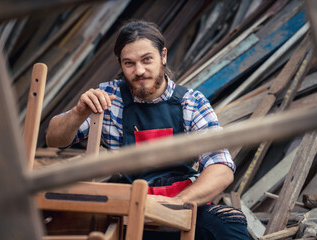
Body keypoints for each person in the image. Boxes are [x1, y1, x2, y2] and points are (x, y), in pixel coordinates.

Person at [46, 20, 250, 240]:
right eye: (129, 63)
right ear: (120, 64)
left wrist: (176, 203)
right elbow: (54, 139)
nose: (139, 71)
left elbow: (221, 168)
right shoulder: (108, 99)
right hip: (128, 204)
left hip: (181, 201)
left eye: (146, 60)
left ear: (163, 56)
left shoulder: (191, 102)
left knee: (229, 226)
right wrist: (79, 111)